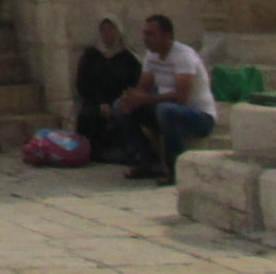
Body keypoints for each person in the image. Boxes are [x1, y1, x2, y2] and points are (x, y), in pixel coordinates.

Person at [114, 14, 217, 184]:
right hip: (166, 112)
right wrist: (131, 99)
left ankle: (175, 169)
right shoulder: (151, 56)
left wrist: (144, 99)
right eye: (145, 33)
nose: (146, 38)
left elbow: (180, 98)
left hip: (199, 117)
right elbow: (143, 88)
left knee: (166, 109)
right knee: (119, 107)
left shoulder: (184, 56)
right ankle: (149, 161)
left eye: (151, 34)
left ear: (167, 36)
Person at [74, 19, 142, 162]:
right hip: (95, 101)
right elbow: (83, 82)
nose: (107, 33)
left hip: (119, 100)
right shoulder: (92, 55)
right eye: (103, 29)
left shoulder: (129, 58)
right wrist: (101, 102)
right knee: (89, 115)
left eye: (110, 29)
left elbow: (136, 83)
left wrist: (119, 101)